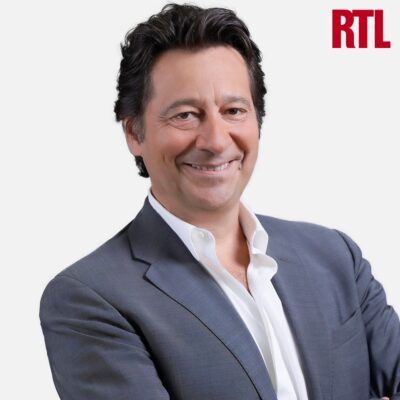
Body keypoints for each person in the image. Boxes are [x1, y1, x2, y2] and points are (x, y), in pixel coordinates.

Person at [40, 4, 400, 400]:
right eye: (185, 115)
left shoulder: (335, 257)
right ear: (134, 133)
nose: (214, 140)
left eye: (233, 111)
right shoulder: (90, 299)